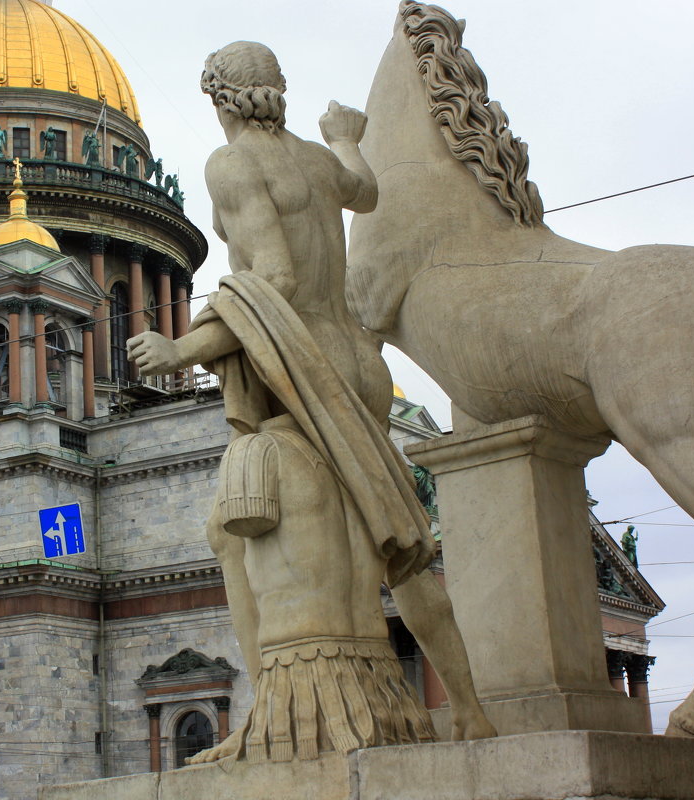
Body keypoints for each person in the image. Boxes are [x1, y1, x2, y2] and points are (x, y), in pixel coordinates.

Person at [129, 42, 494, 762]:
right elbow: (364, 190)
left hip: (303, 366)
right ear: (275, 93)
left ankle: (272, 711)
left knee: (230, 536)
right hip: (360, 362)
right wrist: (344, 139)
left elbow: (274, 276)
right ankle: (473, 710)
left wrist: (183, 349)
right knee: (395, 537)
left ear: (218, 98)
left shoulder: (233, 164)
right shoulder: (312, 158)